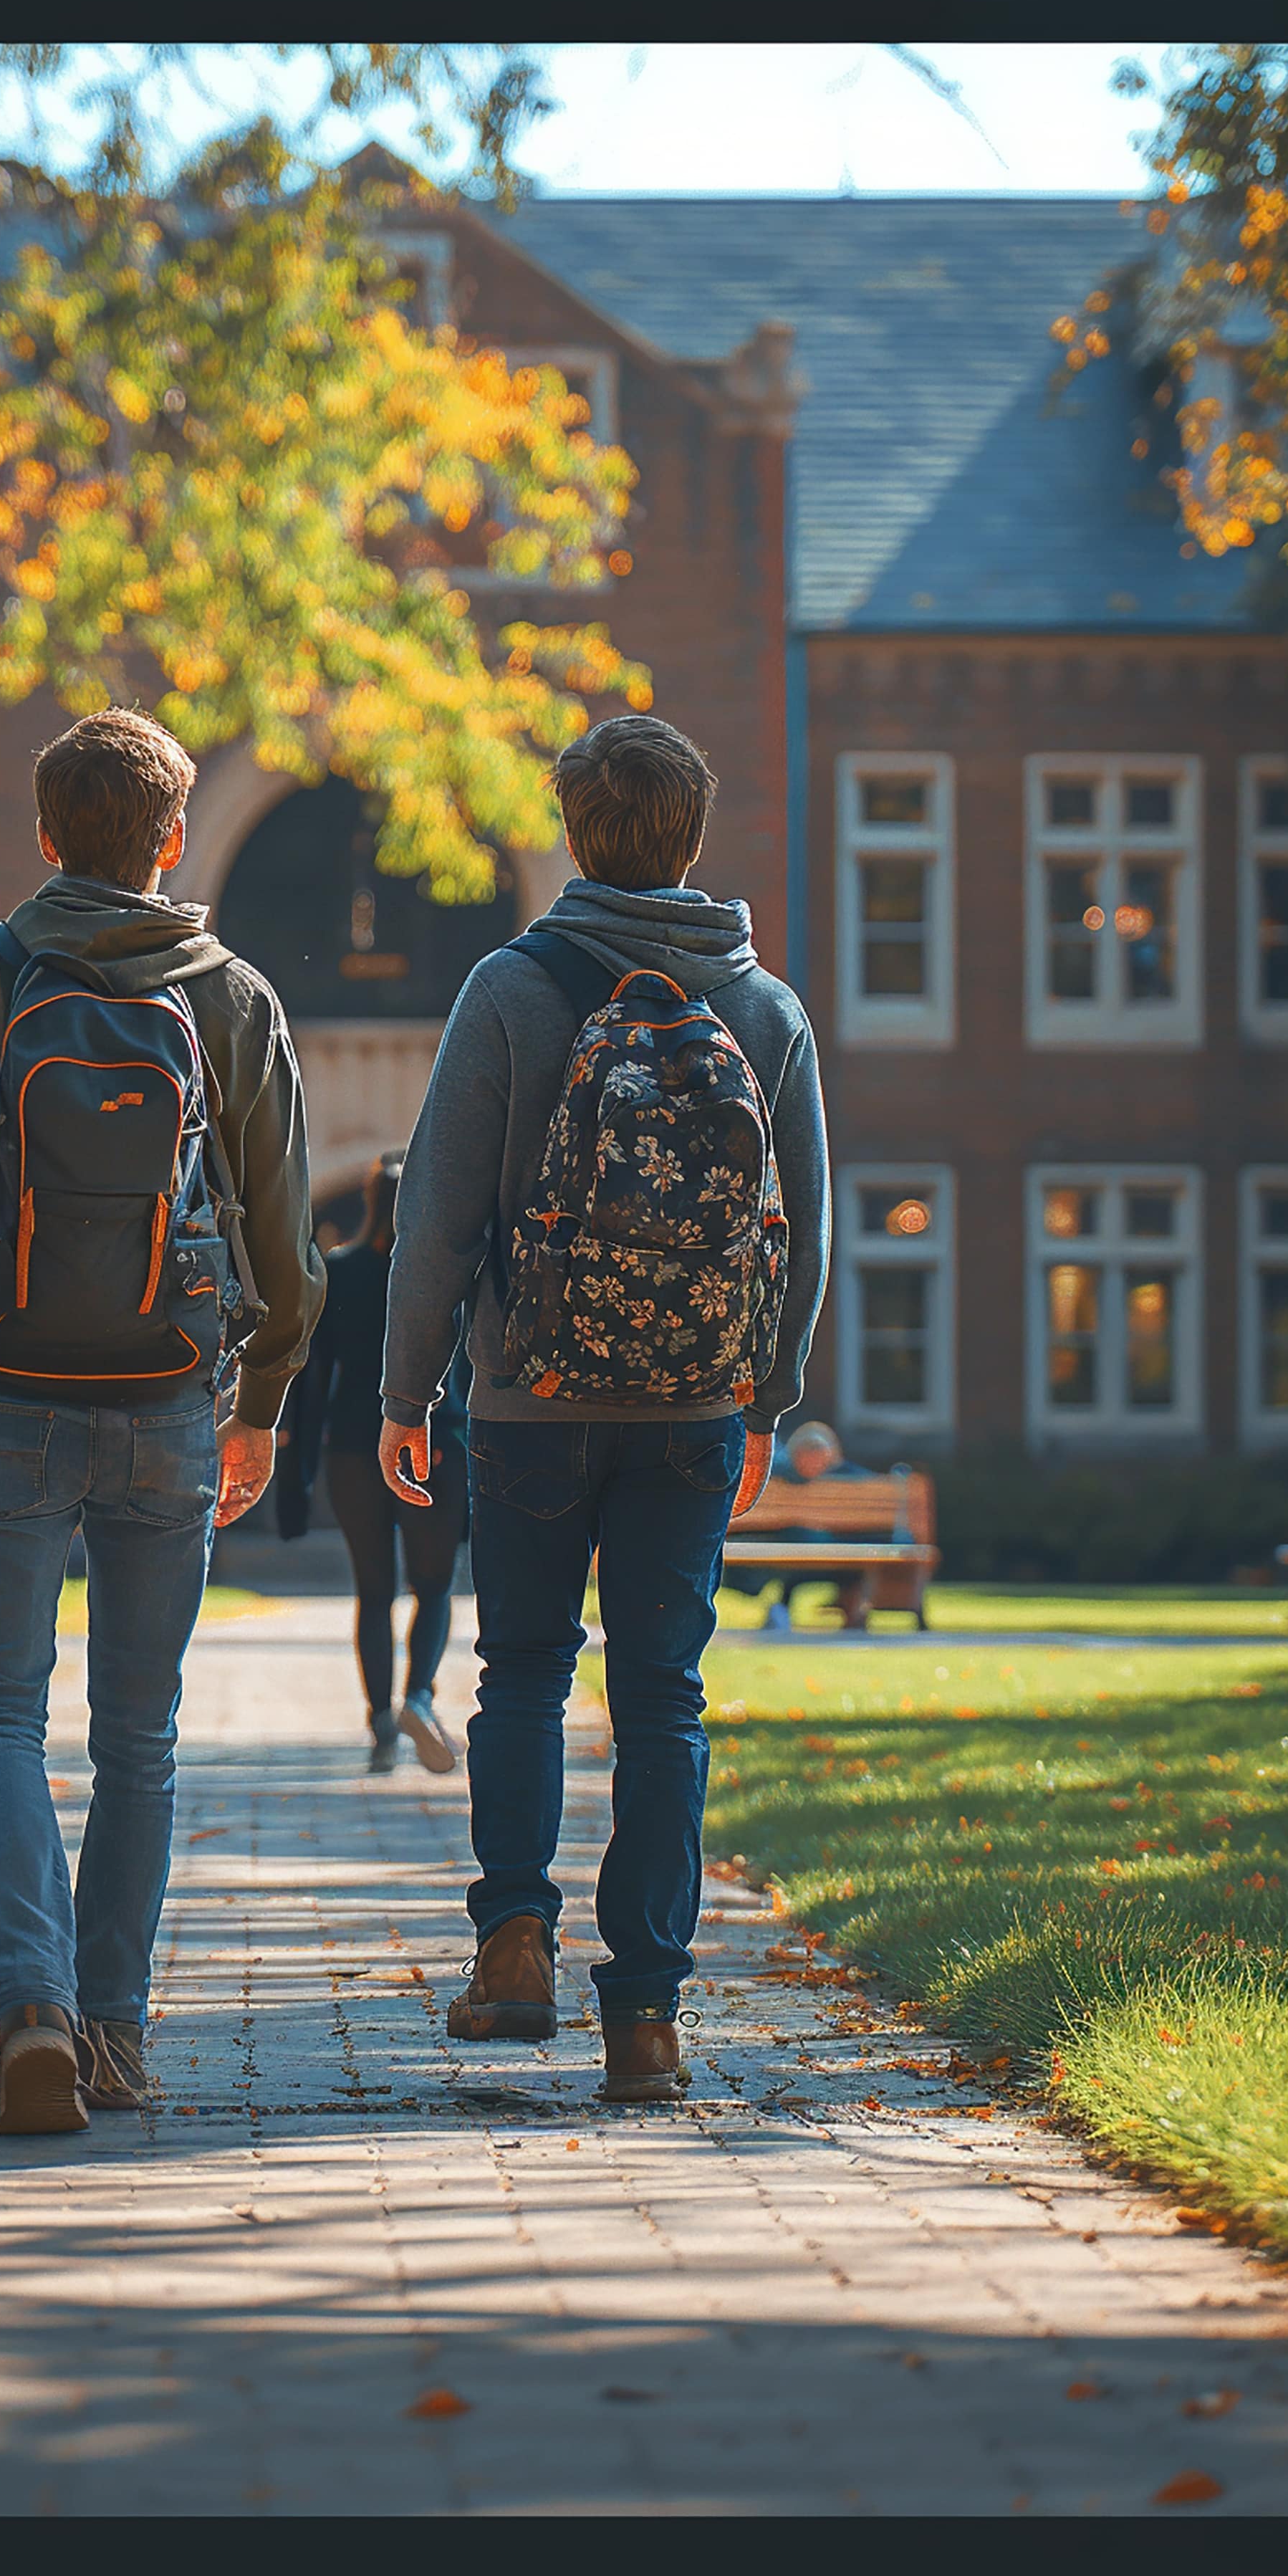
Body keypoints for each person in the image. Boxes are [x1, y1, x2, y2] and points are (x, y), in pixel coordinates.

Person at [378, 714, 828, 2107]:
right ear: (691, 840)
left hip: (531, 1398)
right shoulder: (766, 1009)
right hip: (696, 1402)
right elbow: (803, 1234)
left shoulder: (512, 989)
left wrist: (409, 1387)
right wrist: (768, 1398)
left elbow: (440, 1215)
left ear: (573, 835)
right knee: (663, 1699)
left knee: (522, 1669)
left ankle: (514, 1944)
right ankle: (647, 2017)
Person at [0, 706, 319, 2135]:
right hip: (168, 1397)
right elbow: (280, 1228)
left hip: (7, 1386)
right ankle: (117, 2029)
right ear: (173, 838)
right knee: (141, 1733)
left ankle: (32, 2004)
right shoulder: (234, 994)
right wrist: (259, 1403)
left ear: (48, 833)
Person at [279, 1151, 467, 1773]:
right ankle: (419, 1696)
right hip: (433, 1446)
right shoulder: (445, 1274)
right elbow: (469, 1368)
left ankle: (382, 1724)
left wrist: (298, 1467)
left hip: (353, 1448)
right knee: (434, 1585)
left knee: (374, 1589)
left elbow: (313, 1379)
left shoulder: (341, 1273)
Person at [748, 1419, 850, 1631]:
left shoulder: (777, 1468)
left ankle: (780, 1609)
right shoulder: (842, 1476)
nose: (814, 1463)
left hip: (804, 1542)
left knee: (807, 1541)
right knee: (806, 1540)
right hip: (797, 1542)